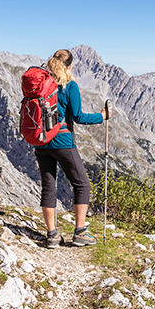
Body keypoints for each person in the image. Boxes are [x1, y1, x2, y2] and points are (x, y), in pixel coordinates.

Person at [33, 48, 110, 248]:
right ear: (69, 66)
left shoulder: (41, 84)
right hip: (62, 142)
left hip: (41, 142)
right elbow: (78, 117)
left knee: (49, 185)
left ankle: (52, 235)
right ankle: (80, 233)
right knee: (82, 184)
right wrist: (102, 116)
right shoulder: (70, 86)